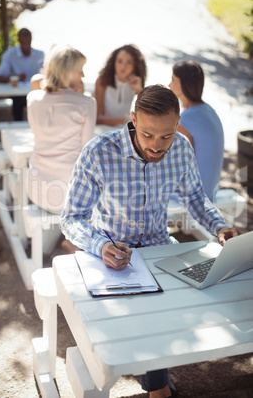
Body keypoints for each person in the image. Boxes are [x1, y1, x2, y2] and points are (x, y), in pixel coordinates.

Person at [60, 84, 239, 397]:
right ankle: (157, 386)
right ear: (132, 119)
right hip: (110, 255)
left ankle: (155, 376)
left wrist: (220, 227)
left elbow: (195, 197)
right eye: (147, 135)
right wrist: (101, 245)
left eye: (166, 135)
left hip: (161, 250)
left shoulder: (181, 147)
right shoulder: (99, 152)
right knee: (145, 315)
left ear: (177, 122)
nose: (157, 146)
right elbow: (72, 218)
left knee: (217, 291)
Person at [26, 44, 96, 217]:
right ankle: (70, 240)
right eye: (80, 69)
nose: (83, 75)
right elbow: (85, 153)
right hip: (67, 194)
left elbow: (38, 84)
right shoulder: (87, 103)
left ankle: (67, 239)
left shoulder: (32, 99)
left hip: (35, 188)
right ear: (67, 71)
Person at [169, 60, 224, 201]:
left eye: (173, 80)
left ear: (185, 85)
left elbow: (177, 165)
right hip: (210, 190)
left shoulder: (186, 120)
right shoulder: (209, 110)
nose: (170, 85)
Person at [0, 28, 44, 120]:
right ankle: (18, 123)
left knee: (41, 103)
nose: (26, 45)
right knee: (19, 101)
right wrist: (15, 78)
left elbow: (48, 72)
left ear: (31, 39)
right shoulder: (9, 55)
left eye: (27, 42)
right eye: (23, 42)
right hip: (18, 95)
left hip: (35, 92)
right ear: (19, 40)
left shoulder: (40, 55)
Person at [95, 44, 147, 127]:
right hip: (103, 130)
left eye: (129, 62)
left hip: (124, 132)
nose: (123, 66)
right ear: (114, 62)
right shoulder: (102, 81)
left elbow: (149, 112)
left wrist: (139, 89)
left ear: (135, 65)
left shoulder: (135, 83)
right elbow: (97, 119)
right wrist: (124, 120)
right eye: (120, 61)